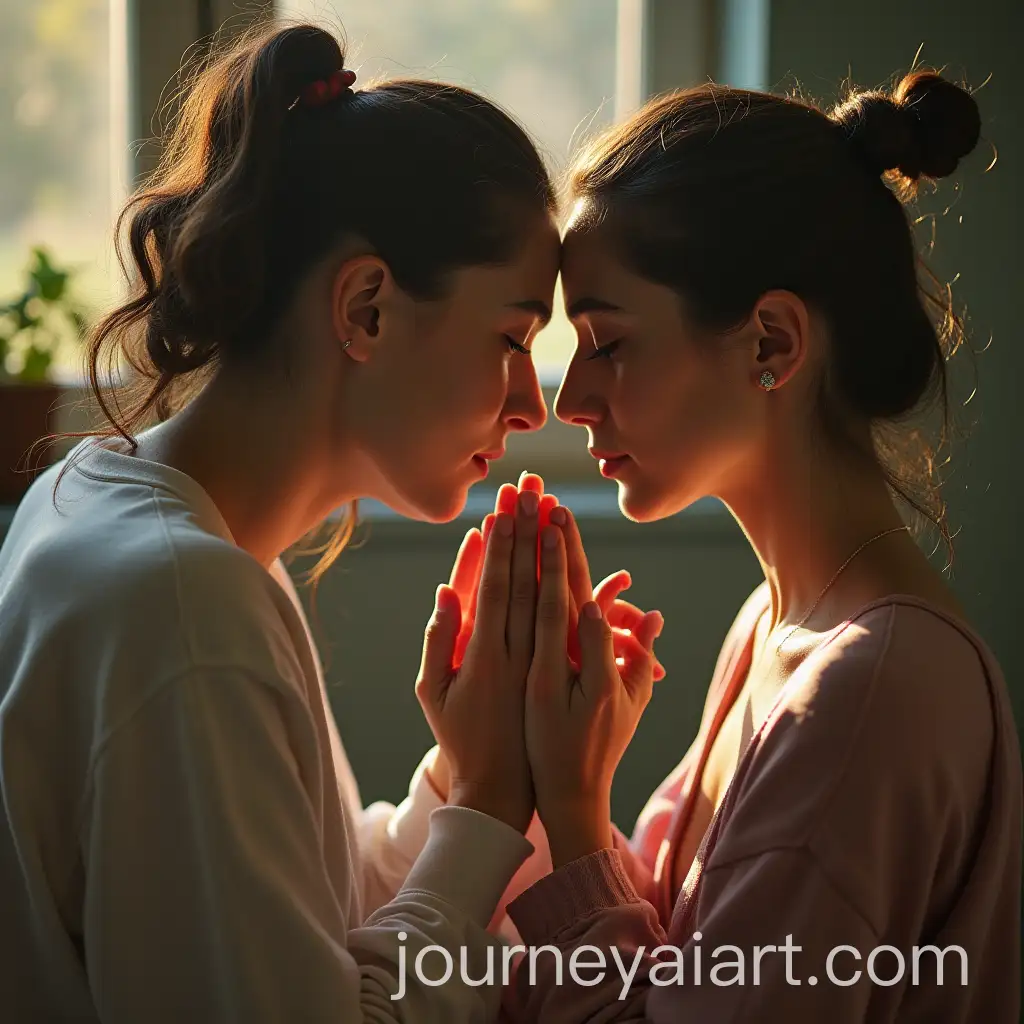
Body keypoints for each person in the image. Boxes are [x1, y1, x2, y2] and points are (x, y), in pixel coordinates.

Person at [0, 21, 661, 1022]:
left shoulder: (131, 512)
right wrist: (489, 804)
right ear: (364, 310)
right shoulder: (185, 604)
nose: (531, 406)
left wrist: (465, 772)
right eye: (512, 337)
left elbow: (314, 917)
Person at [494, 69, 1022, 1021]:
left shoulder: (875, 689)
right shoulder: (773, 625)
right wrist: (524, 766)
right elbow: (657, 953)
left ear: (771, 344)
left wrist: (573, 812)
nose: (570, 401)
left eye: (606, 343)